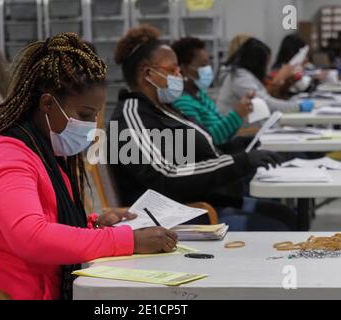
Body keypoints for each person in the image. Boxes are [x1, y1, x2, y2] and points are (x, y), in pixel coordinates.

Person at [0, 33, 178, 300]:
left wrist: (93, 225)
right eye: (84, 115)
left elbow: (45, 220)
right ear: (47, 104)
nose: (90, 126)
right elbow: (31, 237)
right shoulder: (6, 155)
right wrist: (129, 241)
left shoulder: (44, 151)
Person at [108, 25, 297, 231]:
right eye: (172, 70)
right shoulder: (131, 116)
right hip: (173, 218)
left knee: (285, 215)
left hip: (203, 202)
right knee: (277, 225)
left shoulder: (163, 109)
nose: (178, 76)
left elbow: (195, 154)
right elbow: (166, 177)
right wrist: (241, 161)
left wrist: (239, 147)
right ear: (147, 74)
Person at [172, 37, 253, 146]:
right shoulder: (182, 103)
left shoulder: (200, 95)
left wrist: (240, 114)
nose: (208, 69)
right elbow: (205, 141)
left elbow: (224, 133)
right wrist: (237, 115)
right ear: (185, 68)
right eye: (203, 65)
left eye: (208, 64)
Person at [217, 37, 313, 116]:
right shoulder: (240, 78)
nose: (267, 69)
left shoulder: (246, 76)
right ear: (257, 63)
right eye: (266, 64)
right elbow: (266, 103)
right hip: (239, 132)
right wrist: (298, 107)